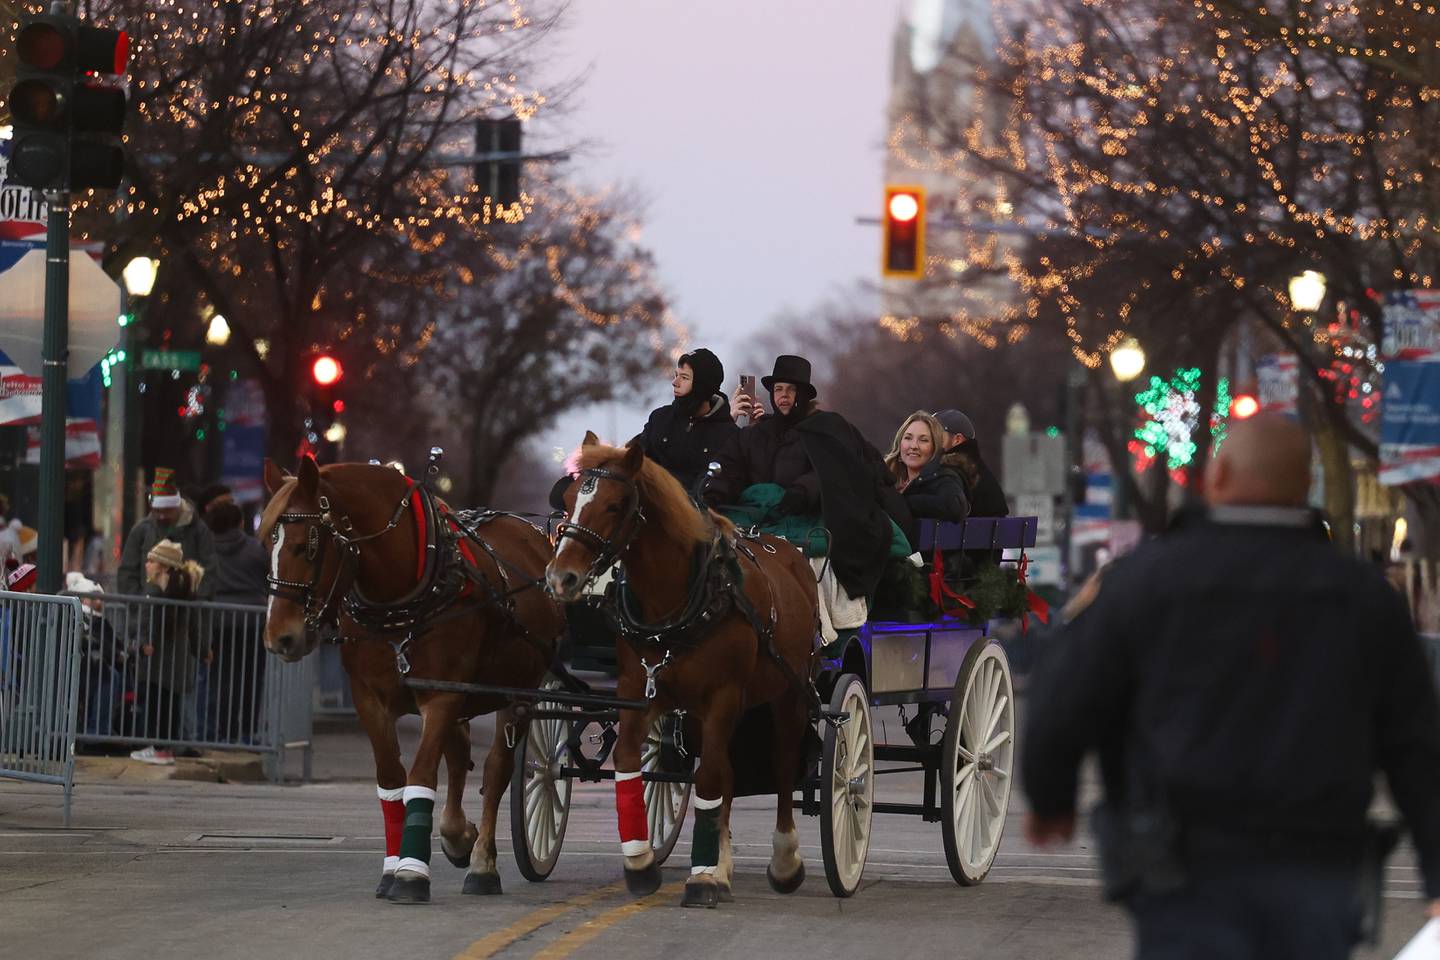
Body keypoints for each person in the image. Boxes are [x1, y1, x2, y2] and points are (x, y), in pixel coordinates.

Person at [1021, 413, 1440, 957]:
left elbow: (1068, 695)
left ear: (1218, 477)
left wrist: (1051, 797)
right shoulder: (1364, 598)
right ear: (1301, 487)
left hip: (1182, 860)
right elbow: (1416, 745)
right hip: (1318, 858)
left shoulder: (1146, 582)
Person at [706, 354, 903, 604]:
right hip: (761, 515)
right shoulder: (754, 435)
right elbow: (730, 467)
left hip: (808, 512)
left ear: (804, 394)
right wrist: (713, 492)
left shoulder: (826, 428)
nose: (784, 396)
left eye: (791, 389)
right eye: (778, 389)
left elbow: (835, 469)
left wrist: (802, 492)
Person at [129, 540, 210, 765]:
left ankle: (160, 749)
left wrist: (145, 641)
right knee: (170, 705)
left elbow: (147, 620)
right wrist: (201, 649)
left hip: (159, 660)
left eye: (151, 560)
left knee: (157, 706)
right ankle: (166, 748)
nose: (147, 564)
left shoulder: (156, 589)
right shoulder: (185, 589)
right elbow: (195, 623)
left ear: (163, 566)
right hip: (177, 660)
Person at [206, 500, 269, 743]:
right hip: (253, 621)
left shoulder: (207, 550)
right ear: (240, 522)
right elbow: (268, 578)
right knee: (252, 678)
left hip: (218, 621)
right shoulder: (256, 549)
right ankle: (249, 731)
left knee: (221, 679)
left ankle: (224, 731)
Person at [635, 348, 739, 495]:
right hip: (651, 506)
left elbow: (720, 486)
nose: (674, 382)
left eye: (684, 377)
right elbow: (635, 458)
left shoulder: (728, 435)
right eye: (676, 375)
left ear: (701, 385)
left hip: (695, 512)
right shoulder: (659, 418)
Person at [118, 467, 217, 599]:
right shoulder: (141, 530)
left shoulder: (199, 530)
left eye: (167, 511)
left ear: (178, 506)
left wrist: (198, 599)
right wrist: (139, 605)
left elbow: (209, 570)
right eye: (157, 511)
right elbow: (127, 572)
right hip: (149, 613)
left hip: (187, 613)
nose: (162, 516)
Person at [883, 411, 968, 528]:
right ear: (900, 444)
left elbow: (954, 506)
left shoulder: (943, 479)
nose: (913, 446)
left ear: (935, 447)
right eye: (908, 438)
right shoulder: (888, 479)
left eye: (923, 440)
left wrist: (905, 502)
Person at [934, 409, 1008, 517]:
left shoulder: (951, 471)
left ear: (957, 439)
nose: (931, 440)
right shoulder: (978, 469)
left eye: (936, 435)